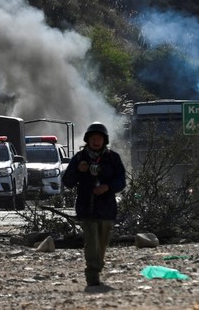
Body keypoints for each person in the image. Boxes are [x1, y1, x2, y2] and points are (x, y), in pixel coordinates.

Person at [62, 121, 126, 290]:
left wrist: (108, 187)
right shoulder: (79, 158)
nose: (96, 142)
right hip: (86, 207)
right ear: (87, 140)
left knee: (102, 243)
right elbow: (67, 182)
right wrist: (78, 170)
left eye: (99, 139)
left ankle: (97, 266)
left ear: (104, 140)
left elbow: (121, 181)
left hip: (107, 208)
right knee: (91, 242)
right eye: (93, 138)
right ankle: (92, 275)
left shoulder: (113, 158)